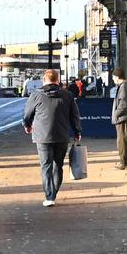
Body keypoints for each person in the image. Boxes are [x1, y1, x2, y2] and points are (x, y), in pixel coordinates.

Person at [22, 69, 82, 208]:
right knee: (58, 165)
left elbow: (27, 114)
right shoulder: (67, 95)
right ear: (58, 80)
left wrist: (27, 126)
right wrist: (77, 131)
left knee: (46, 166)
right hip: (62, 135)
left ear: (44, 80)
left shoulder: (36, 95)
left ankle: (49, 196)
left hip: (42, 136)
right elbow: (74, 116)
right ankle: (53, 192)